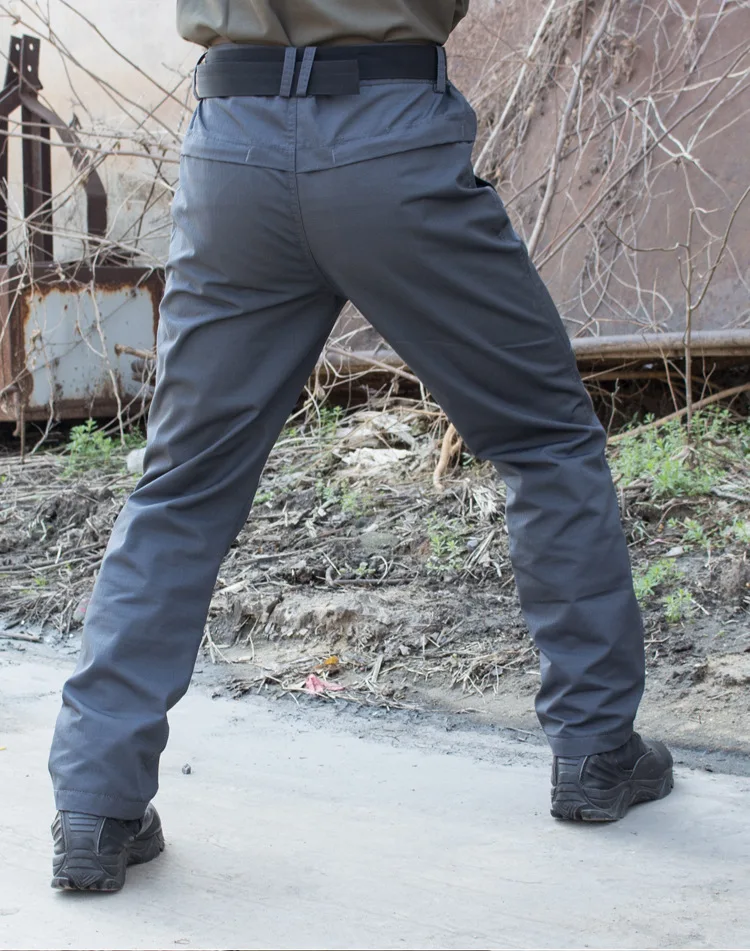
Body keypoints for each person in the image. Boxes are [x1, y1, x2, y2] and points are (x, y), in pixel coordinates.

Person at [48, 0, 674, 893]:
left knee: (182, 486)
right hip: (388, 138)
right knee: (544, 439)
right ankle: (598, 748)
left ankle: (94, 803)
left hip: (234, 146)